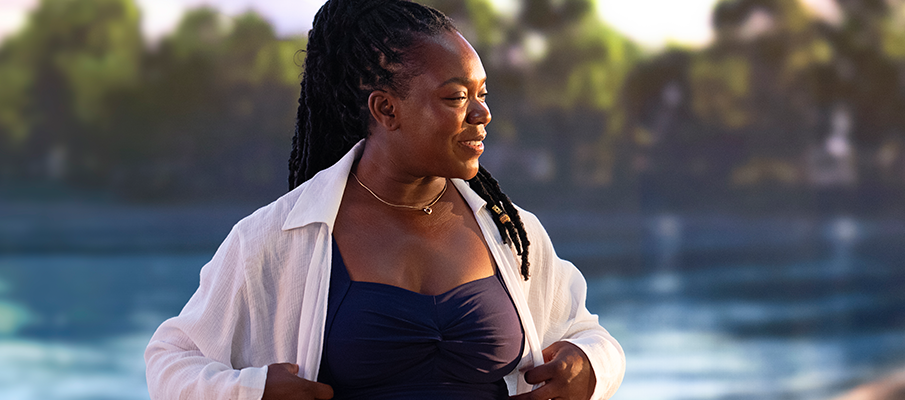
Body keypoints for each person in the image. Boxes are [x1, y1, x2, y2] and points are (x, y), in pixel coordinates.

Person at [143, 1, 624, 399]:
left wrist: (588, 367)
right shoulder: (278, 238)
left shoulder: (509, 231)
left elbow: (591, 334)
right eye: (456, 97)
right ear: (386, 109)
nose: (483, 113)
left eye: (482, 93)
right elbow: (170, 360)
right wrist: (250, 391)